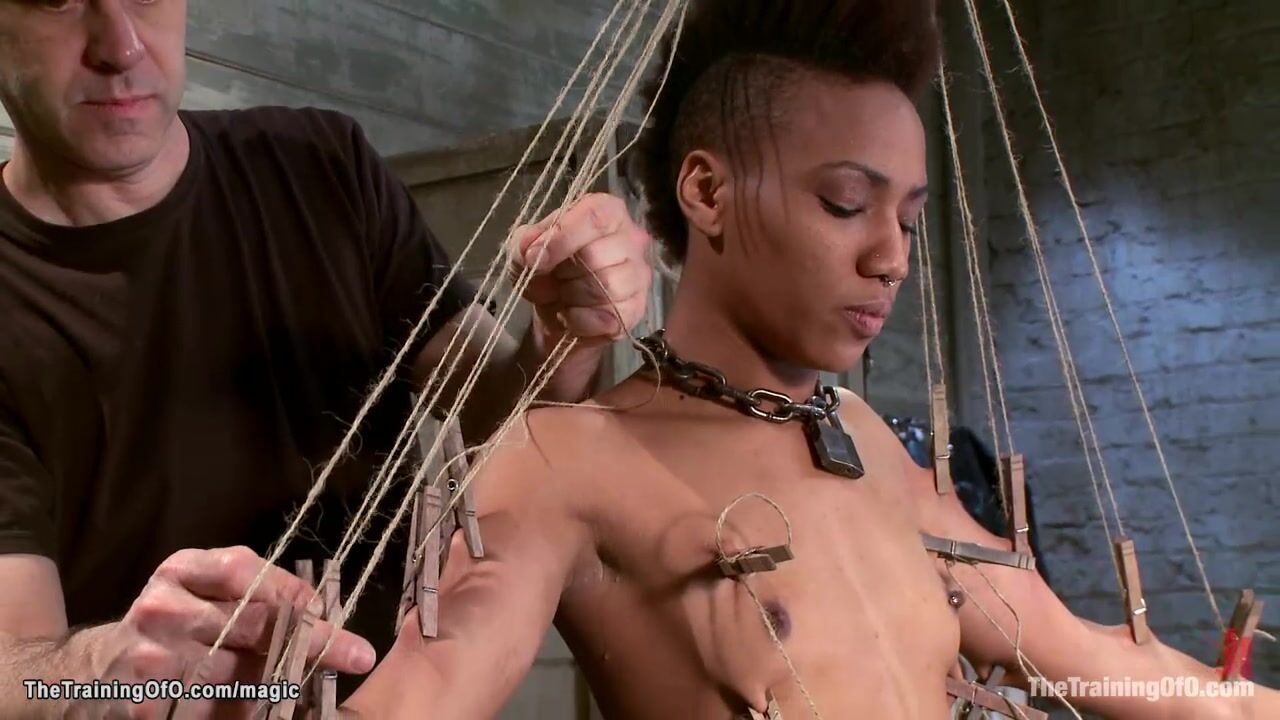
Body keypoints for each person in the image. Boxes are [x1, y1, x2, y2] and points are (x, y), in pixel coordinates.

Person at [339, 1, 1279, 718]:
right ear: (707, 191)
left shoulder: (868, 445)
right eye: (844, 204)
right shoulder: (566, 456)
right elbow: (412, 698)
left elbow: (1108, 663)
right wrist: (244, 691)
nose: (892, 258)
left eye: (908, 218)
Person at [0, 0, 653, 716]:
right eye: (56, 0)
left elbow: (501, 413)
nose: (121, 45)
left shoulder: (323, 165)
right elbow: (15, 667)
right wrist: (103, 670)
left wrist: (565, 332)